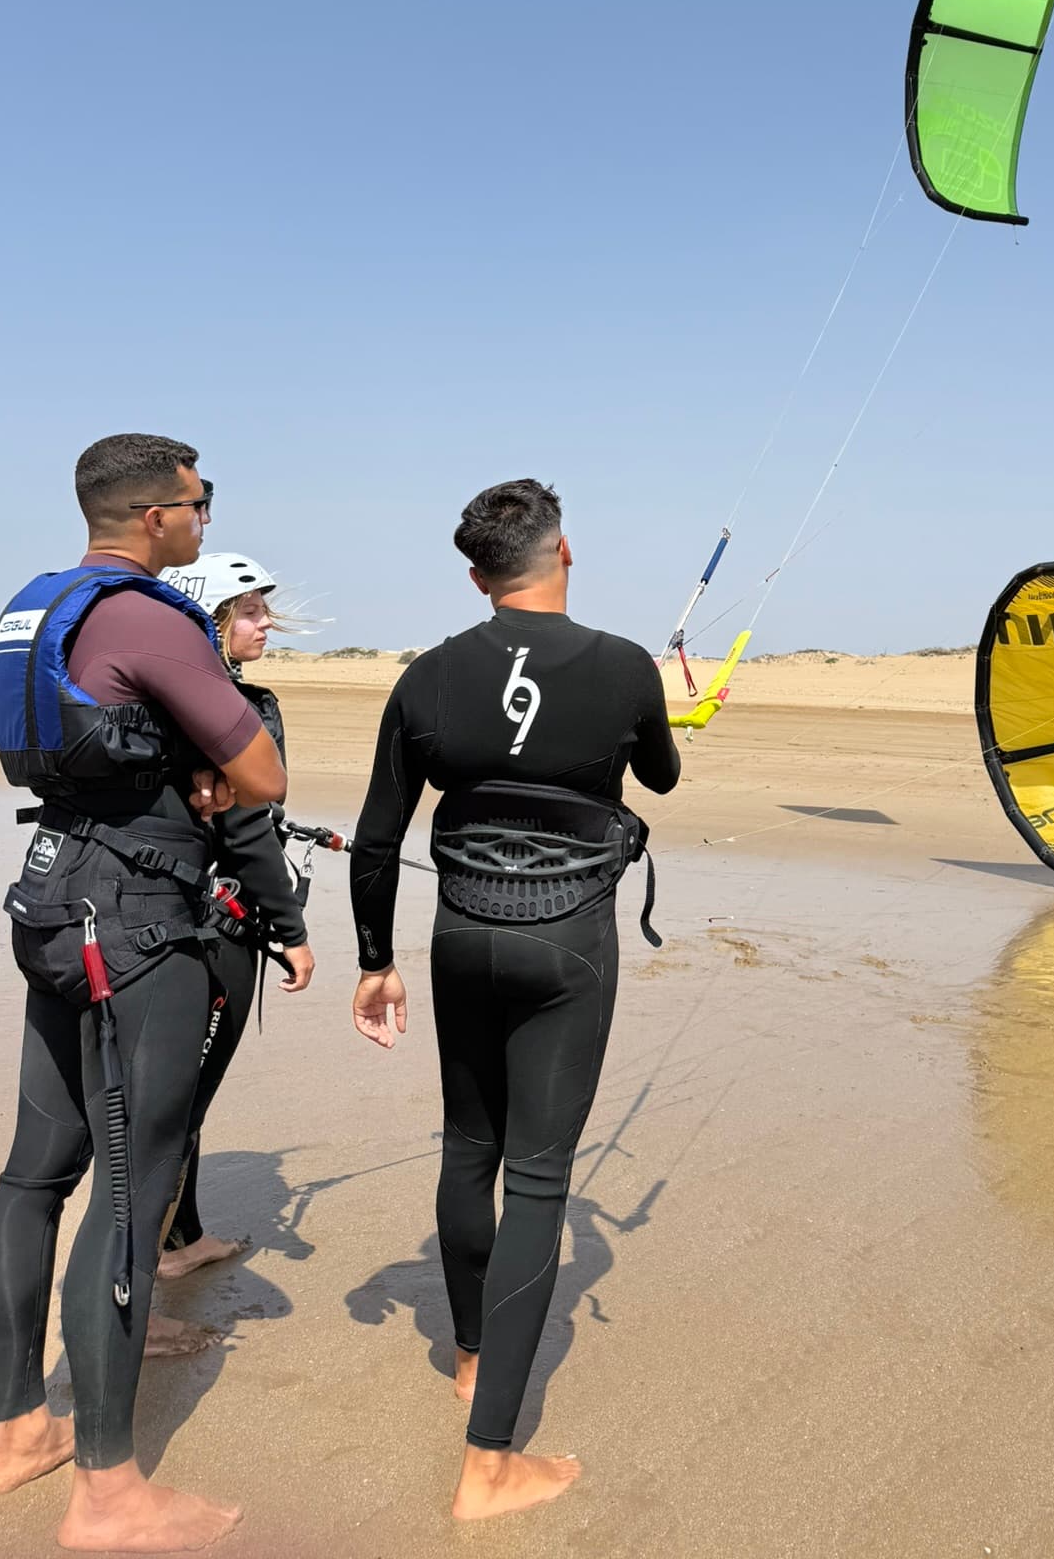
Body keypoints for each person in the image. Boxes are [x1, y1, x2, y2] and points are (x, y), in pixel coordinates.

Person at [0, 435, 288, 1554]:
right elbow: (263, 774)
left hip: (53, 898)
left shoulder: (38, 605)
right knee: (128, 1189)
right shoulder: (150, 612)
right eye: (201, 502)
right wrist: (205, 769)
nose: (206, 516)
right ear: (155, 516)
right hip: (138, 921)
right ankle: (109, 1492)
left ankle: (19, 1433)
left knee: (31, 1171)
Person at [349, 479, 680, 1522]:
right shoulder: (624, 664)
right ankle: (489, 1459)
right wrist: (676, 704)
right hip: (566, 940)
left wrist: (373, 957)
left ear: (478, 571)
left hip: (461, 933)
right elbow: (661, 777)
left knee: (467, 1148)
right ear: (563, 550)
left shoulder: (429, 674)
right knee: (539, 1183)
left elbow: (375, 835)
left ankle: (470, 1354)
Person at [155, 554, 316, 1281]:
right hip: (215, 928)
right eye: (249, 613)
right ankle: (156, 1258)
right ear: (210, 622)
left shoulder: (155, 696)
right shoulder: (228, 706)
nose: (266, 626)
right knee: (180, 1101)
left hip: (160, 917)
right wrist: (293, 932)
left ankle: (180, 1236)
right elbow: (248, 832)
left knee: (170, 1096)